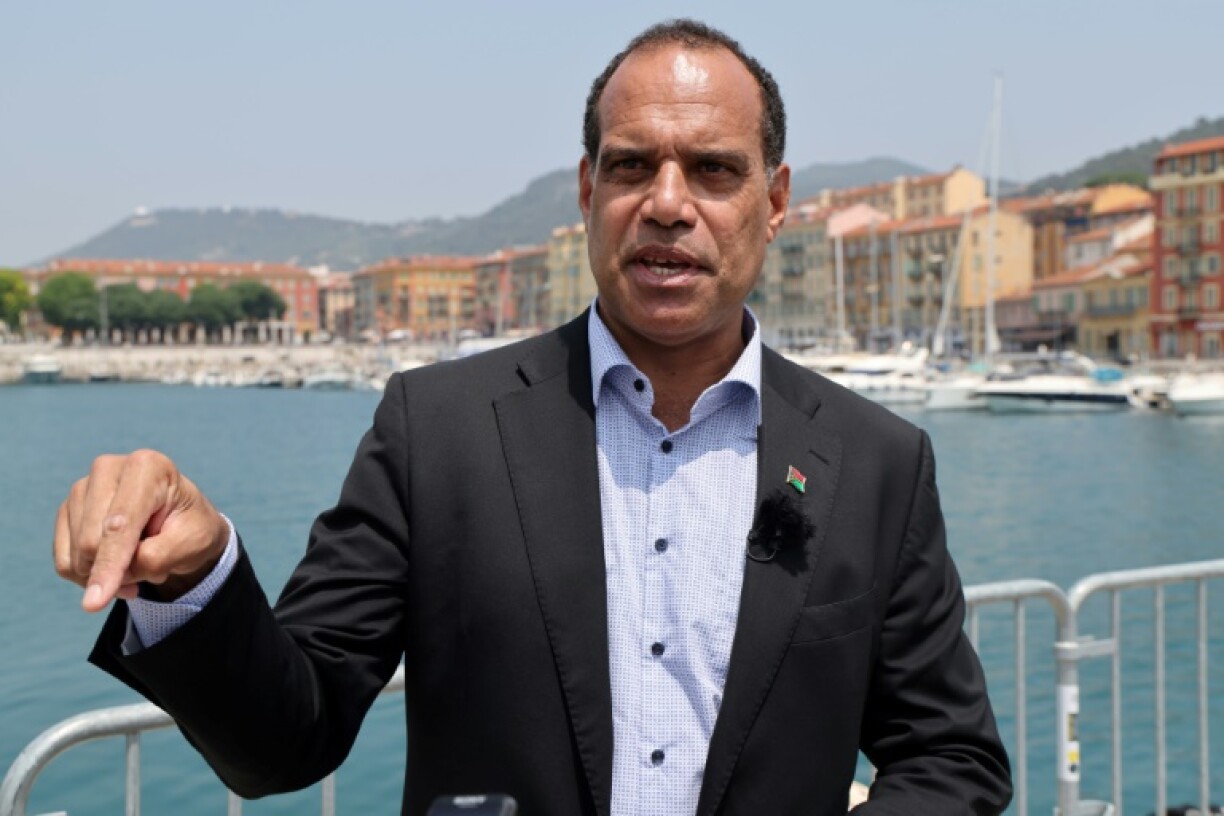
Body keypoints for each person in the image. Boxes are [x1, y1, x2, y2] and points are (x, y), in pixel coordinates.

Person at [54, 19, 1012, 816]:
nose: (668, 205)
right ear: (590, 190)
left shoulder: (879, 462)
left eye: (714, 171)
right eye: (634, 165)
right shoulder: (436, 431)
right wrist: (197, 579)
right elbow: (286, 741)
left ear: (776, 201)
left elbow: (950, 758)